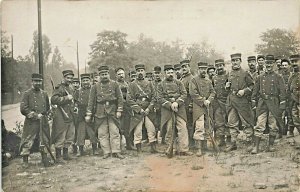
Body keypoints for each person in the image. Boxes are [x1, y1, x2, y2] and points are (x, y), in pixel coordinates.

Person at [86, 66, 124, 159]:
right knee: (102, 133)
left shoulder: (115, 84)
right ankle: (106, 151)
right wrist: (89, 114)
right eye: (102, 74)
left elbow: (120, 98)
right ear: (99, 75)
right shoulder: (95, 87)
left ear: (109, 74)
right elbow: (91, 101)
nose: (104, 76)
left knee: (114, 131)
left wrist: (119, 110)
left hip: (113, 111)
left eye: (106, 74)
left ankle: (116, 151)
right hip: (100, 111)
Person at [251, 55, 286, 154]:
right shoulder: (260, 77)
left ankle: (271, 146)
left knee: (273, 125)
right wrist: (254, 102)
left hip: (274, 103)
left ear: (274, 64)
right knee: (259, 124)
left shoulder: (278, 77)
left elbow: (283, 92)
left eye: (271, 63)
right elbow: (255, 91)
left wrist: (282, 104)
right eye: (267, 63)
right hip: (262, 103)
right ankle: (256, 147)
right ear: (264, 64)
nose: (269, 65)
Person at [157, 65, 192, 156]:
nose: (170, 74)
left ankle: (184, 149)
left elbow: (184, 94)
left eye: (172, 72)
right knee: (169, 129)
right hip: (167, 110)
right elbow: (159, 98)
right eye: (168, 73)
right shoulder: (160, 85)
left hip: (180, 109)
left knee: (183, 128)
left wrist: (177, 103)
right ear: (165, 74)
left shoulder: (179, 83)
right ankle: (171, 149)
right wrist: (170, 104)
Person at [20, 73, 51, 167]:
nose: (37, 83)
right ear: (32, 81)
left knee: (44, 139)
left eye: (39, 81)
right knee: (28, 140)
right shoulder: (27, 94)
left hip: (43, 121)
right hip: (31, 122)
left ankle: (45, 158)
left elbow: (47, 107)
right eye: (36, 81)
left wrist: (44, 114)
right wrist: (34, 115)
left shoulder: (44, 94)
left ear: (41, 82)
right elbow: (23, 108)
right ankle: (25, 160)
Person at [225, 53, 255, 152]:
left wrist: (244, 91)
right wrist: (227, 86)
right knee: (232, 122)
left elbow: (252, 86)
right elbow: (228, 86)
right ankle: (233, 143)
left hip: (242, 101)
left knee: (246, 121)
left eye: (237, 60)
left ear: (240, 61)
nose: (235, 62)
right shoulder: (229, 73)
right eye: (233, 61)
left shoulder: (245, 73)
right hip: (232, 100)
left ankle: (250, 142)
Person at [127, 64, 158, 154]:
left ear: (144, 72)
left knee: (151, 128)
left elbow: (154, 97)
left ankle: (153, 147)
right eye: (138, 71)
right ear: (136, 72)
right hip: (138, 111)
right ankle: (139, 149)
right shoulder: (132, 85)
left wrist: (149, 108)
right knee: (138, 130)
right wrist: (139, 109)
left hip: (148, 110)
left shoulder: (149, 83)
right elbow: (129, 99)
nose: (140, 72)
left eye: (141, 70)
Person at [190, 62, 216, 156]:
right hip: (198, 106)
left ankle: (205, 146)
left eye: (205, 68)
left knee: (207, 125)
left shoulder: (208, 81)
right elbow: (193, 93)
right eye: (201, 68)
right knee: (199, 126)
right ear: (198, 69)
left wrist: (209, 100)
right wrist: (202, 101)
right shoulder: (194, 80)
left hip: (208, 106)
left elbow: (213, 92)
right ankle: (198, 148)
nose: (203, 70)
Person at [51, 70, 76, 162]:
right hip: (61, 115)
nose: (69, 80)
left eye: (71, 78)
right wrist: (66, 98)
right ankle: (58, 157)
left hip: (70, 114)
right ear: (64, 78)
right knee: (61, 135)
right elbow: (53, 99)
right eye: (68, 78)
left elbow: (73, 100)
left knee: (70, 136)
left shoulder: (71, 88)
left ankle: (65, 155)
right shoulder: (58, 88)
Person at [74, 74, 99, 156]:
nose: (85, 82)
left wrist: (92, 113)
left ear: (90, 81)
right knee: (80, 132)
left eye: (87, 80)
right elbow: (75, 102)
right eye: (83, 81)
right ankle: (80, 150)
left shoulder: (94, 90)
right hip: (81, 114)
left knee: (92, 132)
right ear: (81, 82)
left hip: (91, 113)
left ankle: (95, 149)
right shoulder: (78, 91)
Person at [212, 59, 231, 148]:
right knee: (219, 122)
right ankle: (222, 139)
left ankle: (229, 140)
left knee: (228, 121)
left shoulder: (228, 75)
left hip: (227, 102)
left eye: (221, 65)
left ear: (223, 66)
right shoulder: (214, 78)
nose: (219, 67)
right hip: (217, 103)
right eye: (217, 66)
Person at [116, 67, 134, 150]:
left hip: (127, 109)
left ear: (125, 74)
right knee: (119, 127)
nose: (121, 75)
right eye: (119, 74)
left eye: (122, 74)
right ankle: (118, 146)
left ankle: (129, 144)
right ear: (116, 75)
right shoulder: (115, 85)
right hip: (118, 109)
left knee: (128, 127)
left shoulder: (128, 84)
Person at [180, 59, 195, 148]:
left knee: (190, 124)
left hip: (188, 104)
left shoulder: (191, 78)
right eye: (182, 67)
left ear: (189, 67)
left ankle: (192, 143)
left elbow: (193, 94)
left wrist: (191, 105)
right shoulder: (182, 78)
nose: (184, 68)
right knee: (184, 124)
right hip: (182, 104)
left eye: (185, 66)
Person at [287, 54, 300, 137]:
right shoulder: (291, 75)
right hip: (293, 100)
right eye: (292, 62)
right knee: (295, 119)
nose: (294, 63)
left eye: (296, 61)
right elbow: (289, 88)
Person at [152, 66, 163, 143]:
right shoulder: (151, 83)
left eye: (158, 73)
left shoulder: (163, 83)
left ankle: (163, 139)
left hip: (162, 105)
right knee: (154, 123)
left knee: (162, 122)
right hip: (153, 106)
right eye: (155, 73)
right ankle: (154, 139)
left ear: (161, 74)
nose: (157, 75)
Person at [71, 77, 80, 154]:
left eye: (77, 83)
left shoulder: (79, 92)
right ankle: (73, 147)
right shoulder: (69, 91)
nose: (75, 85)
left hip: (78, 114)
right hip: (70, 114)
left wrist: (76, 106)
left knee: (77, 130)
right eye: (74, 83)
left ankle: (77, 147)